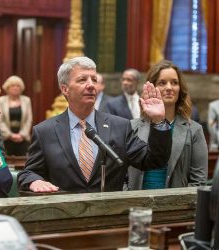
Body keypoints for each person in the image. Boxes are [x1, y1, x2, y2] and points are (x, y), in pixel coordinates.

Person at [17, 56, 172, 193]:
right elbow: (27, 173)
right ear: (65, 89)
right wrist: (35, 181)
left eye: (94, 79)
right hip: (63, 218)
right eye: (82, 80)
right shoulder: (44, 132)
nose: (91, 85)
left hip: (110, 218)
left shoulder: (120, 126)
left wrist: (158, 121)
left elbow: (153, 160)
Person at [128, 60, 208, 190]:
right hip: (136, 206)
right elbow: (122, 176)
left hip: (176, 207)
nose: (169, 87)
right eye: (162, 83)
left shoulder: (194, 130)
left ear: (180, 88)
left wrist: (178, 207)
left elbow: (198, 182)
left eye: (174, 83)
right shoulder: (132, 127)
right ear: (152, 88)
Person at [0, 75, 32, 156]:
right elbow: (0, 120)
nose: (15, 88)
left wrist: (22, 134)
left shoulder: (26, 100)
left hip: (22, 138)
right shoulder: (1, 100)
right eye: (13, 86)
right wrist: (10, 135)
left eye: (18, 86)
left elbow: (29, 119)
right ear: (7, 87)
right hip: (6, 138)